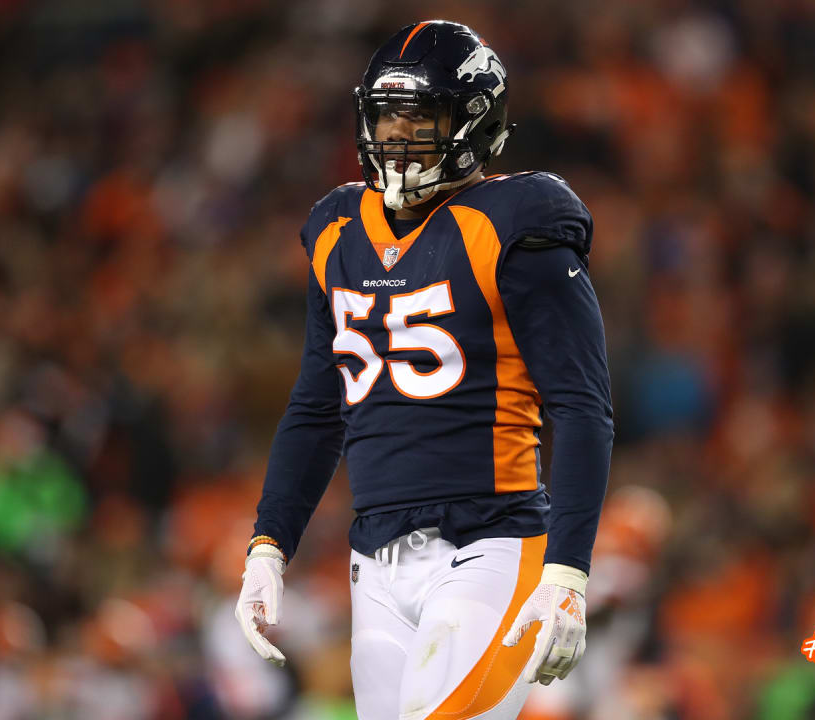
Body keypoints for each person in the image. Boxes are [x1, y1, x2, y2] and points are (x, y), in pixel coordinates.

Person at [235, 20, 613, 720]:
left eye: (422, 116)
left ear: (474, 122)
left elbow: (581, 405)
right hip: (373, 565)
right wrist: (269, 544)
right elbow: (320, 407)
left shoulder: (515, 225)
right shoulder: (336, 230)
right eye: (386, 116)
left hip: (490, 547)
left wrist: (567, 570)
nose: (399, 137)